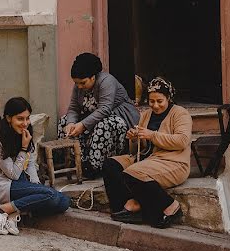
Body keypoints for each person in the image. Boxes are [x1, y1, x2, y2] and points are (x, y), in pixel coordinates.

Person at [103, 77, 191, 229]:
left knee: (132, 173)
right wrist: (134, 138)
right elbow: (139, 148)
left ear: (168, 98)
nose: (155, 105)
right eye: (151, 101)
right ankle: (127, 207)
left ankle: (170, 206)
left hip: (172, 162)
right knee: (110, 165)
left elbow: (182, 141)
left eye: (160, 101)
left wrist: (152, 135)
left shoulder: (180, 114)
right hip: (146, 158)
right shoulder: (146, 114)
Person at [0, 97, 70, 235]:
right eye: (20, 119)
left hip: (20, 182)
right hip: (3, 186)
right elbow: (12, 174)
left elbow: (30, 163)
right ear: (8, 118)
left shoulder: (25, 133)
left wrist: (36, 186)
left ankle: (14, 211)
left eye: (27, 118)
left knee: (64, 201)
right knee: (50, 195)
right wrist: (23, 149)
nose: (25, 123)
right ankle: (1, 210)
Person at [59, 52, 140, 176]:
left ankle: (95, 166)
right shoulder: (78, 87)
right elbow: (73, 108)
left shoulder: (107, 81)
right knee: (64, 121)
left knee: (104, 124)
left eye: (83, 83)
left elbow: (105, 109)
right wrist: (71, 123)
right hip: (92, 119)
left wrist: (83, 125)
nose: (79, 86)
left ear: (93, 77)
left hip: (118, 118)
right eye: (76, 83)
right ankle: (77, 162)